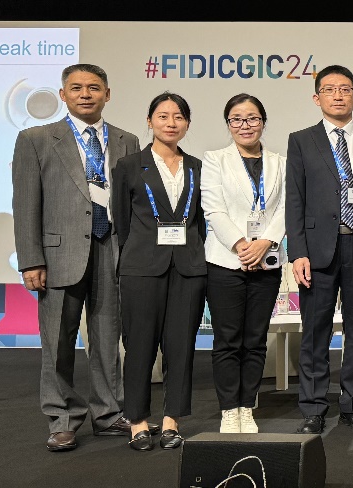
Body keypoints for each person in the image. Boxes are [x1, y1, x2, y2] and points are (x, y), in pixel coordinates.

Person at [12, 63, 144, 452]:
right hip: (57, 256)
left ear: (107, 94)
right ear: (63, 94)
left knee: (107, 340)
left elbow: (133, 201)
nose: (85, 94)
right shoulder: (35, 138)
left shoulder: (128, 140)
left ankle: (109, 414)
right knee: (58, 342)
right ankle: (63, 419)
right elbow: (25, 204)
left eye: (94, 87)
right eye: (76, 88)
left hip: (112, 250)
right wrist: (31, 259)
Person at [285, 65, 353, 434]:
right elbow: (295, 199)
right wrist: (298, 252)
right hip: (317, 249)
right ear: (316, 98)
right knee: (315, 331)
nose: (338, 95)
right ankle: (313, 408)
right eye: (329, 89)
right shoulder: (301, 140)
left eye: (345, 89)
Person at [111, 92, 207, 451]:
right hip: (141, 268)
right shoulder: (129, 165)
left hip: (188, 268)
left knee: (180, 347)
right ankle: (137, 421)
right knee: (139, 345)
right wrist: (136, 255)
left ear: (187, 124)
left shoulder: (197, 167)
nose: (171, 123)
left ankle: (171, 421)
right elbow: (122, 221)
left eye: (179, 116)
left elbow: (200, 220)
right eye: (163, 116)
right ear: (149, 121)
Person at [202, 93, 286, 434]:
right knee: (227, 340)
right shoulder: (214, 160)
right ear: (228, 124)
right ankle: (229, 409)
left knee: (255, 339)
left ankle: (247, 406)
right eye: (236, 119)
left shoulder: (281, 162)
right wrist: (241, 245)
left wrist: (265, 242)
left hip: (267, 261)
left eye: (252, 118)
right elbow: (213, 209)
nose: (245, 125)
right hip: (225, 261)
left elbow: (287, 207)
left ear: (263, 122)